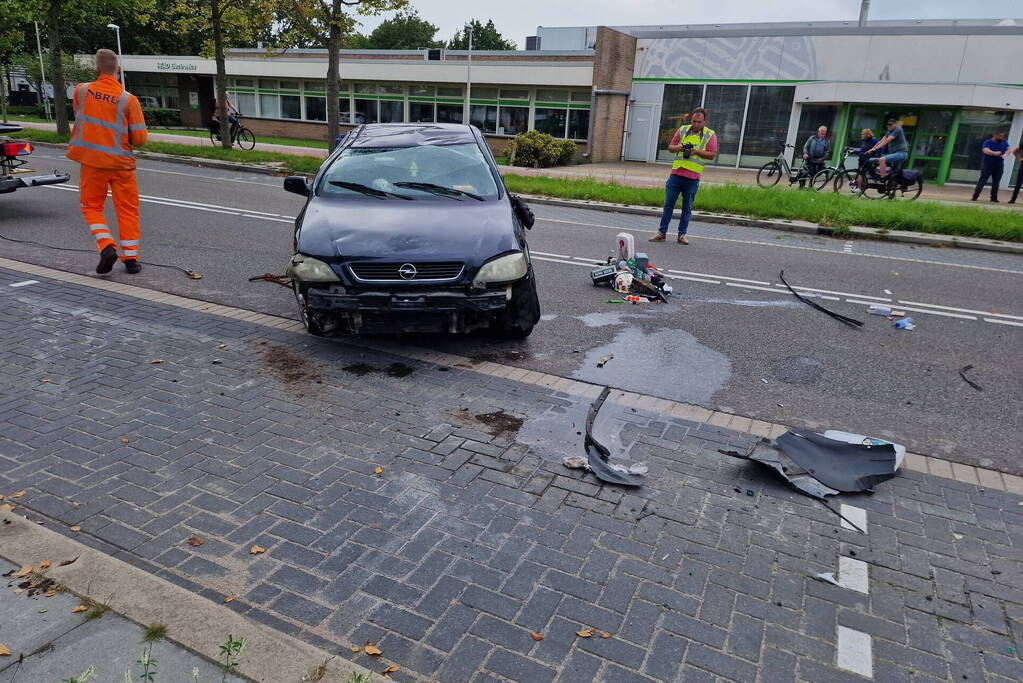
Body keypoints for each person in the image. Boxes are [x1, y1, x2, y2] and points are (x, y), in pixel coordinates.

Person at [67, 49, 148, 274]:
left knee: (91, 206)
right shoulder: (128, 100)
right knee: (128, 210)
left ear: (96, 69)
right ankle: (131, 259)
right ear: (118, 71)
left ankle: (106, 245)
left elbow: (80, 118)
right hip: (121, 165)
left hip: (92, 163)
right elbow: (140, 139)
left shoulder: (81, 91)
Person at [649, 107, 717, 245]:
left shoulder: (710, 134)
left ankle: (682, 235)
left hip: (692, 178)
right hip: (676, 174)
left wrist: (696, 151)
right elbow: (670, 147)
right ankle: (662, 233)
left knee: (687, 208)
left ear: (704, 121)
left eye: (699, 122)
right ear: (690, 119)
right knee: (668, 205)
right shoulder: (683, 130)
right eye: (694, 121)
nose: (696, 124)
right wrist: (680, 147)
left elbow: (712, 155)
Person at [972, 131, 1009, 202]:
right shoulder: (988, 142)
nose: (1002, 138)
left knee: (996, 182)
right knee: (982, 180)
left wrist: (1006, 154)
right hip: (988, 165)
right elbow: (985, 150)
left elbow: (1008, 149)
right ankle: (975, 196)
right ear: (995, 135)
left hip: (999, 165)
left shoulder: (1004, 141)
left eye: (1002, 136)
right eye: (1000, 136)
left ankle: (994, 198)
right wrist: (994, 153)